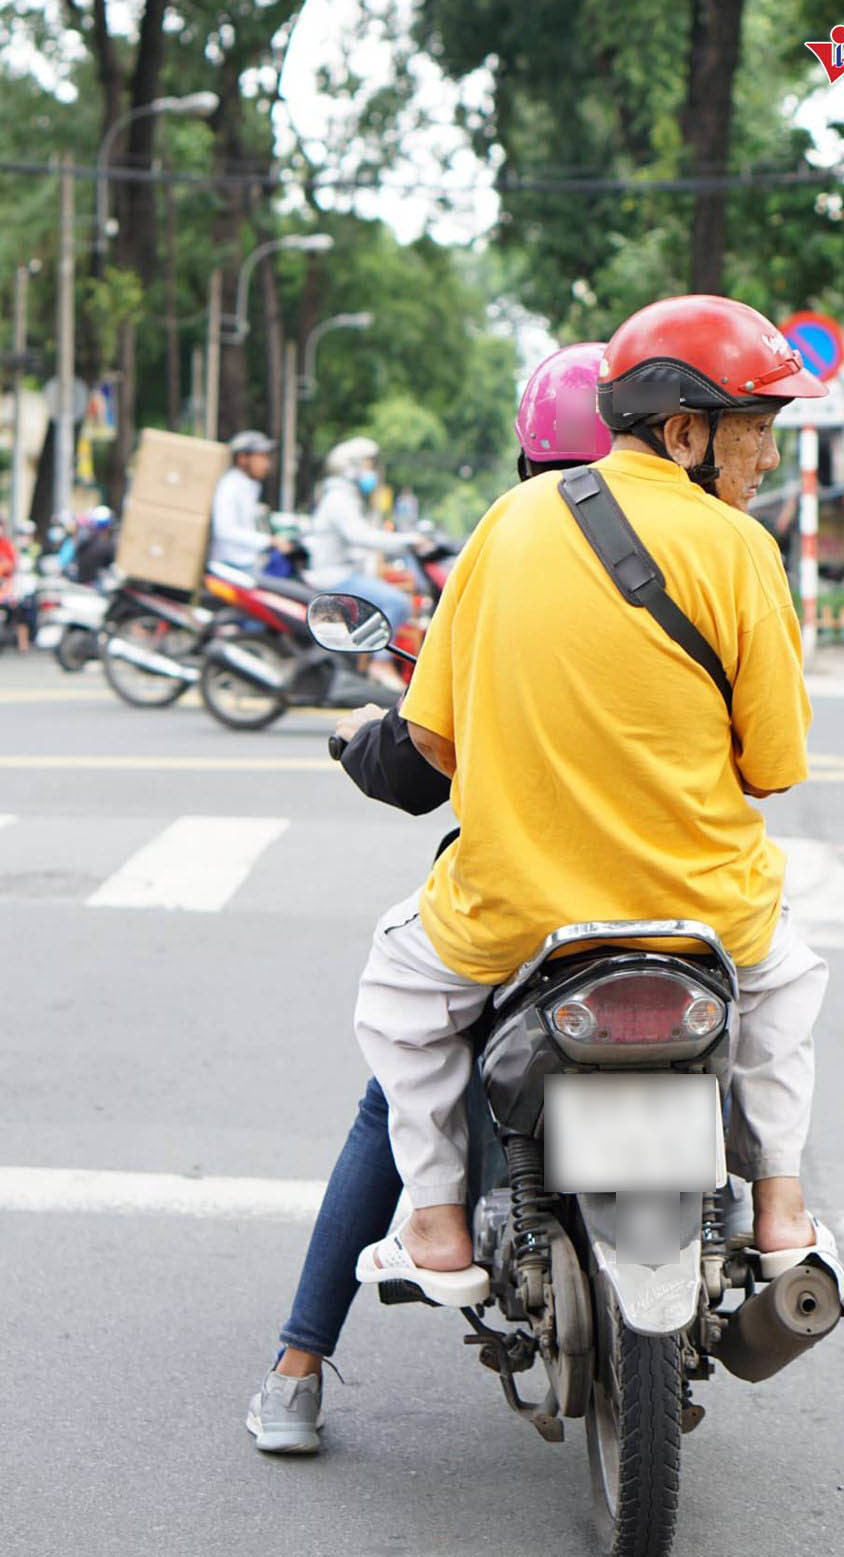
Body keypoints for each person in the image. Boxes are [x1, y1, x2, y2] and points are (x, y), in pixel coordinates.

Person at [348, 295, 836, 1302]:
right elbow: (774, 766)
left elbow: (429, 736)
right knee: (785, 991)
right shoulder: (743, 553)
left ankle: (436, 1225)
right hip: (708, 913)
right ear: (686, 430)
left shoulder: (506, 524)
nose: (768, 460)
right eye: (757, 431)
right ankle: (782, 1210)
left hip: (517, 912)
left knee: (399, 1004)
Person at [246, 342, 612, 1453]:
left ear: (526, 455)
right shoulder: (716, 552)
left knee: (389, 1088)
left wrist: (360, 744)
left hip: (519, 907)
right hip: (673, 901)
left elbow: (417, 765)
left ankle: (301, 1364)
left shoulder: (501, 552)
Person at [305, 436, 431, 637]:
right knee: (399, 604)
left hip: (345, 573)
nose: (370, 472)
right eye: (366, 466)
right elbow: (361, 536)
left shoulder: (347, 497)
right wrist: (409, 541)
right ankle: (379, 662)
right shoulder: (339, 499)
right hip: (335, 577)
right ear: (350, 467)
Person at [209, 431, 290, 570]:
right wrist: (269, 541)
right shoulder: (230, 485)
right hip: (232, 564)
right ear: (242, 458)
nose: (267, 464)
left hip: (248, 561)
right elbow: (224, 530)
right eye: (262, 457)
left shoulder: (248, 485)